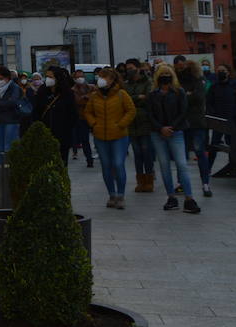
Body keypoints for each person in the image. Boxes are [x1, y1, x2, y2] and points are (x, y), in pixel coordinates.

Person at [147, 64, 200, 214]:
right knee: (164, 166)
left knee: (182, 164)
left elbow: (183, 112)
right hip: (157, 133)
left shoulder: (179, 92)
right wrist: (160, 128)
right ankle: (171, 197)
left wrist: (171, 128)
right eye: (162, 73)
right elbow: (150, 114)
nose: (165, 76)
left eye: (167, 73)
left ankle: (189, 198)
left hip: (175, 132)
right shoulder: (152, 94)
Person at [84, 67, 136, 209]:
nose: (100, 79)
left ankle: (121, 195)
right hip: (100, 136)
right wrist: (94, 124)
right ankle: (111, 194)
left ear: (112, 80)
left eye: (103, 77)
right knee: (106, 166)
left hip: (119, 135)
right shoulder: (95, 96)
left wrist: (121, 124)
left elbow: (131, 110)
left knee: (118, 164)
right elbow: (88, 112)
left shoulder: (121, 94)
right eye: (99, 76)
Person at [177, 61, 213, 198]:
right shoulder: (180, 80)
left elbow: (198, 97)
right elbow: (179, 98)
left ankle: (205, 183)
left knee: (199, 152)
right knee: (182, 155)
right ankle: (182, 183)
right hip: (184, 122)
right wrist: (187, 94)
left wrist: (186, 95)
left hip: (196, 123)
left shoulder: (199, 80)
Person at [33, 67, 78, 164]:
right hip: (45, 134)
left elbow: (73, 113)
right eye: (47, 76)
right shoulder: (42, 91)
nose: (48, 79)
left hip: (62, 135)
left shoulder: (67, 93)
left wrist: (67, 128)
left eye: (50, 77)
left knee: (62, 162)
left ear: (58, 78)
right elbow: (36, 111)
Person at [123, 63, 156, 193]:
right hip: (132, 122)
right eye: (127, 69)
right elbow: (125, 100)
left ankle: (149, 180)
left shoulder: (148, 82)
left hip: (145, 121)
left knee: (146, 151)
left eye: (131, 68)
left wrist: (133, 100)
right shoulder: (126, 84)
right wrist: (138, 97)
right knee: (137, 153)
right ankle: (140, 181)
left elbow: (148, 98)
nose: (129, 71)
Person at [0, 67, 28, 156]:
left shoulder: (14, 88)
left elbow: (13, 103)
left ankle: (12, 169)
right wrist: (2, 104)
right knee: (0, 149)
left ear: (7, 78)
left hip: (12, 121)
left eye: (1, 78)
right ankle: (2, 168)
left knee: (10, 147)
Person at [71, 69, 95, 167]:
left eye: (81, 76)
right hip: (81, 117)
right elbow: (77, 101)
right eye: (77, 77)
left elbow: (95, 98)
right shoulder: (72, 90)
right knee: (84, 140)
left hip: (93, 116)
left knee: (98, 138)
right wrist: (87, 99)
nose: (79, 79)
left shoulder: (91, 87)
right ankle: (89, 159)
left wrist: (86, 97)